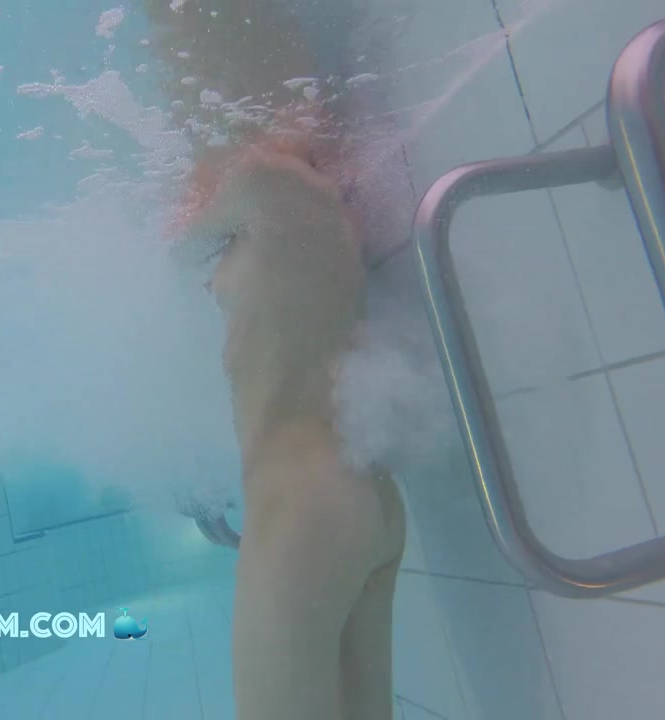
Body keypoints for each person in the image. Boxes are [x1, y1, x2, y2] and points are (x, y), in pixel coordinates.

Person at [141, 2, 407, 719]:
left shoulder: (264, 184)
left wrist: (191, 208)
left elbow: (173, 246)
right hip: (358, 492)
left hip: (301, 509)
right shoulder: (306, 206)